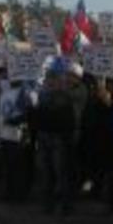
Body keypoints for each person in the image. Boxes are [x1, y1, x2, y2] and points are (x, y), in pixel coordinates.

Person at [34, 60, 77, 215]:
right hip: (45, 137)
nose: (48, 82)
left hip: (58, 139)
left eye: (51, 79)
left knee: (60, 174)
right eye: (47, 80)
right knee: (47, 174)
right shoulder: (42, 97)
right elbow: (38, 118)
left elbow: (68, 121)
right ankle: (49, 205)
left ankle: (65, 205)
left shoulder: (64, 98)